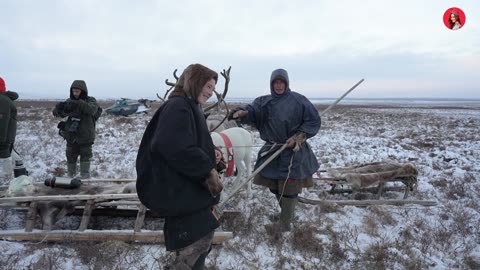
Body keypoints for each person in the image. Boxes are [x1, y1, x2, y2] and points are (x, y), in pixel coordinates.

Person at [136, 64, 224, 269]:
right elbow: (171, 145)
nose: (210, 92)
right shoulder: (179, 106)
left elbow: (188, 141)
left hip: (188, 190)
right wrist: (207, 170)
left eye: (213, 88)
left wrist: (212, 153)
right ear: (194, 82)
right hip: (183, 192)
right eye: (207, 86)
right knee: (193, 247)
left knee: (201, 244)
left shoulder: (188, 105)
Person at [229, 68, 321, 232]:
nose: (278, 86)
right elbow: (253, 110)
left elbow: (313, 121)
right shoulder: (264, 101)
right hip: (272, 149)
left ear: (286, 83)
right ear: (272, 84)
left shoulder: (299, 101)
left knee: (289, 188)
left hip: (293, 151)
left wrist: (298, 137)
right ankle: (288, 214)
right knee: (274, 186)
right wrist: (242, 112)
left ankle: (285, 223)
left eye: (281, 82)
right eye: (275, 83)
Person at [52, 80, 102, 179]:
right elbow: (60, 114)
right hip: (71, 136)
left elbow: (91, 110)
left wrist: (78, 103)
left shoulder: (91, 100)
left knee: (85, 157)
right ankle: (70, 177)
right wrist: (59, 109)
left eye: (77, 91)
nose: (75, 94)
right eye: (73, 91)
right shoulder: (69, 101)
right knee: (70, 157)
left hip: (86, 136)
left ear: (83, 91)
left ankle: (84, 178)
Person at [0, 76, 19, 179]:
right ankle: (17, 177)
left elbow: (2, 122)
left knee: (5, 157)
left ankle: (8, 180)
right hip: (6, 138)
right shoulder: (4, 99)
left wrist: (1, 141)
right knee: (14, 158)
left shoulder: (2, 100)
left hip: (3, 139)